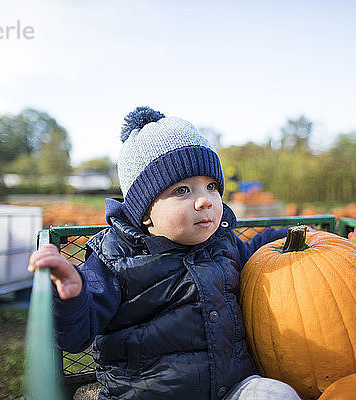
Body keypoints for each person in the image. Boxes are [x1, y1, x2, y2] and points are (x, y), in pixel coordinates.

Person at [28, 106, 301, 400]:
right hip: (147, 394)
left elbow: (259, 250)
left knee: (276, 394)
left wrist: (291, 236)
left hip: (231, 388)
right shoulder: (113, 260)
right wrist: (72, 297)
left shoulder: (224, 243)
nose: (205, 201)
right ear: (145, 213)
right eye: (183, 190)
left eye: (211, 187)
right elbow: (76, 336)